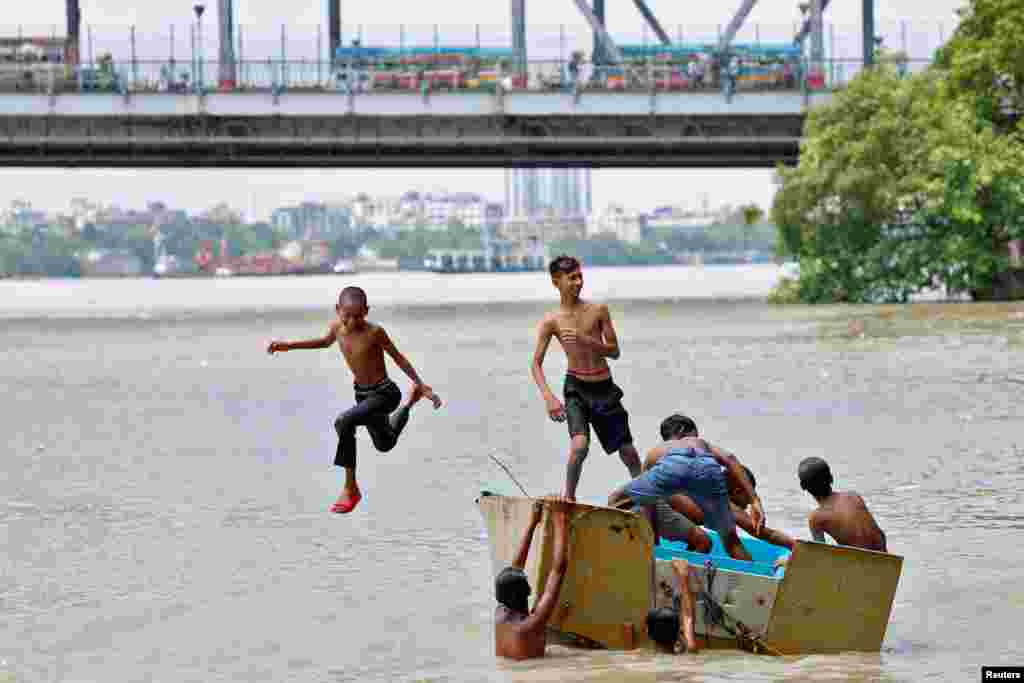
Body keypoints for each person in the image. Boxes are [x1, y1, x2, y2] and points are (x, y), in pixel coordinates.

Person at [267, 286, 442, 514]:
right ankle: (410, 402)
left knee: (344, 421)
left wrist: (420, 382)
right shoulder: (337, 329)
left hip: (385, 393)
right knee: (385, 444)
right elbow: (323, 342)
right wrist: (289, 346)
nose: (352, 321)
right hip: (363, 395)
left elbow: (399, 358)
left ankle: (350, 488)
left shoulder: (375, 332)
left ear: (366, 311)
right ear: (337, 310)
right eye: (346, 316)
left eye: (358, 316)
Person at [530, 255, 642, 501]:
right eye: (572, 278)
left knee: (628, 451)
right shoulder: (552, 320)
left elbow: (614, 351)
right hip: (576, 388)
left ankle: (648, 497)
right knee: (579, 446)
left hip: (604, 387)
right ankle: (569, 498)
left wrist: (587, 341)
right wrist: (549, 398)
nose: (578, 282)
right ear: (556, 282)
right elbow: (536, 364)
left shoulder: (598, 310)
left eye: (580, 276)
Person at [608, 414, 764, 561]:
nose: (696, 442)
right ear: (682, 431)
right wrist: (653, 543)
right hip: (647, 509)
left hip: (646, 507)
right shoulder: (678, 459)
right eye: (694, 435)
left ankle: (673, 569)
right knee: (708, 541)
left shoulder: (667, 459)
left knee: (705, 541)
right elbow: (647, 502)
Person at [641, 462, 795, 553]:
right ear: (737, 492)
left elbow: (733, 545)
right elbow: (762, 533)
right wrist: (793, 545)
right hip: (650, 504)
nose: (748, 505)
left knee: (697, 541)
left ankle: (677, 568)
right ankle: (675, 577)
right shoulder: (726, 504)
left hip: (645, 500)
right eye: (748, 499)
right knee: (703, 541)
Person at [495, 496, 572, 660]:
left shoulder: (500, 614)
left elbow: (515, 567)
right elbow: (559, 570)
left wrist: (533, 523)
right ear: (528, 591)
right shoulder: (531, 624)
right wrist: (561, 519)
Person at [796, 457, 888, 551]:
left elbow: (820, 553)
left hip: (862, 562)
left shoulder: (816, 518)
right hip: (888, 560)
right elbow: (880, 535)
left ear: (803, 486)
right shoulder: (854, 496)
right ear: (831, 478)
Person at [647, 559, 700, 654]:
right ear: (678, 633)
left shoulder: (644, 658)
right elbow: (688, 616)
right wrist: (683, 577)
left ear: (649, 633)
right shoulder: (688, 652)